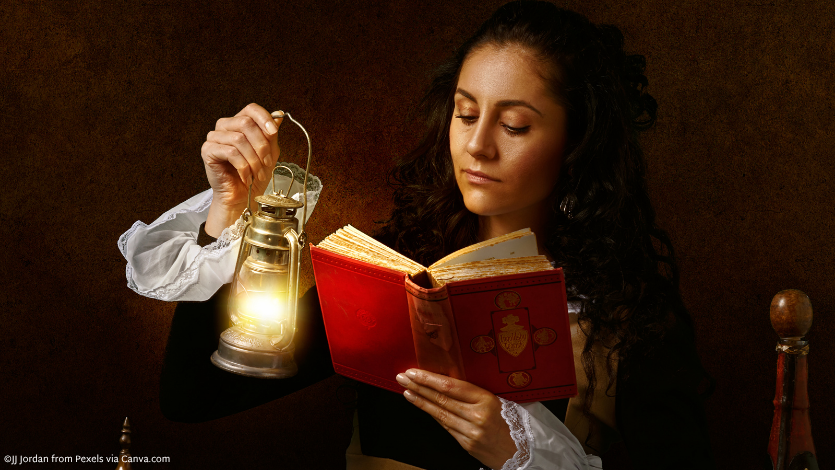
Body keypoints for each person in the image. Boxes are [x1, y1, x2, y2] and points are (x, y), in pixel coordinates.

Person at [120, 1, 715, 468]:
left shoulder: (626, 315)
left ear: (577, 144)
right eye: (464, 113)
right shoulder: (394, 276)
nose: (477, 145)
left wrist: (526, 453)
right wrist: (229, 210)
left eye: (514, 125)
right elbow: (192, 395)